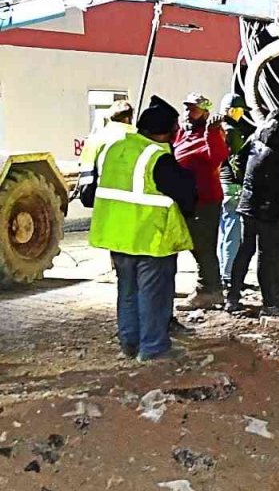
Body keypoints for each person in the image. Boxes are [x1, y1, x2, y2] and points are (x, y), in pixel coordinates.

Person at [88, 96, 196, 361]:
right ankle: (154, 348)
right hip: (151, 238)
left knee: (127, 292)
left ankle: (130, 342)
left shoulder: (114, 148)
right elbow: (186, 194)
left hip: (117, 235)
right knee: (153, 295)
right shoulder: (157, 156)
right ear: (166, 132)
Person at [229, 106, 279, 319]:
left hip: (248, 202)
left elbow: (238, 159)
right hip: (269, 208)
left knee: (245, 249)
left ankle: (232, 298)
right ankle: (269, 303)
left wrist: (248, 184)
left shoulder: (257, 134)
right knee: (267, 255)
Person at [173, 93, 230, 310]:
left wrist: (212, 133)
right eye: (187, 108)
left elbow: (217, 157)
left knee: (204, 246)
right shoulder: (182, 134)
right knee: (195, 246)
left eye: (193, 109)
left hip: (205, 201)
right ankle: (210, 288)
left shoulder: (211, 134)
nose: (188, 112)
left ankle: (209, 290)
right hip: (186, 200)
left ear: (205, 112)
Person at [216, 93, 256, 293]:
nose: (242, 115)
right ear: (232, 111)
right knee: (233, 233)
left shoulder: (217, 129)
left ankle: (223, 274)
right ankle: (229, 276)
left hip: (220, 186)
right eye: (240, 111)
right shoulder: (232, 131)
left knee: (224, 231)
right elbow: (239, 161)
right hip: (233, 186)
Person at [77, 100, 134, 195]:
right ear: (128, 118)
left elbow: (86, 178)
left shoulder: (94, 140)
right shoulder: (140, 138)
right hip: (135, 203)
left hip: (103, 203)